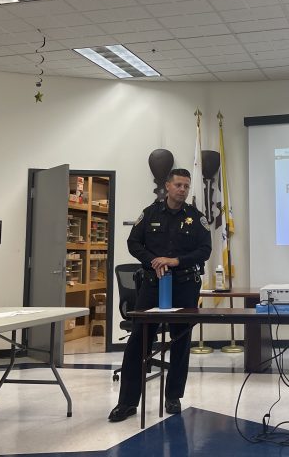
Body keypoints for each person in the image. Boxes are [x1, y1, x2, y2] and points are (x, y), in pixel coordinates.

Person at [108, 168, 211, 423]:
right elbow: (134, 243)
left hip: (185, 285)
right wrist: (153, 260)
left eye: (186, 186)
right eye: (178, 185)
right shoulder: (150, 213)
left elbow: (205, 250)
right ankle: (127, 403)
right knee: (138, 342)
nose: (183, 190)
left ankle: (173, 396)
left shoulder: (196, 218)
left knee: (180, 343)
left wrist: (175, 260)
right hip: (153, 286)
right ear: (167, 186)